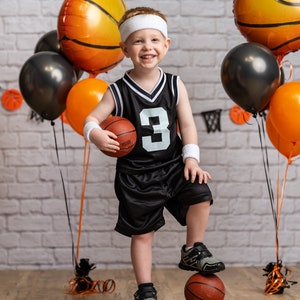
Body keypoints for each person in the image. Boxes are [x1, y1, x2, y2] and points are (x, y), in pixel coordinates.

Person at [84, 6, 225, 300]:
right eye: (138, 41)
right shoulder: (118, 91)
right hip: (136, 174)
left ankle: (192, 249)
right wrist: (96, 136)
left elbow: (187, 125)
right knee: (142, 234)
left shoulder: (175, 84)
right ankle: (145, 289)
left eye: (154, 40)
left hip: (174, 164)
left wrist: (191, 159)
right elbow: (90, 120)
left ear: (166, 45)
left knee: (200, 192)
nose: (147, 47)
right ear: (124, 48)